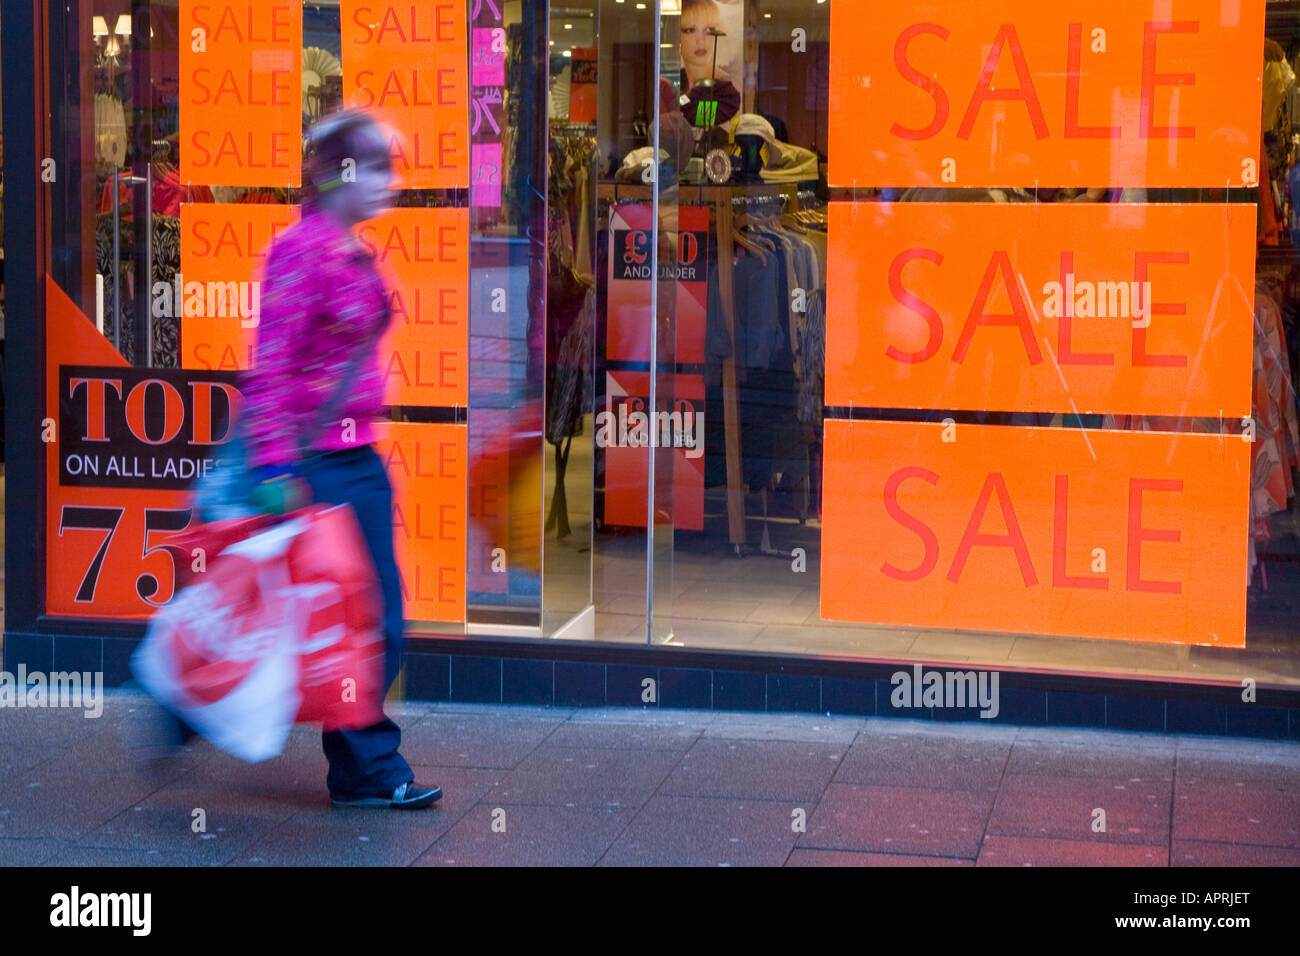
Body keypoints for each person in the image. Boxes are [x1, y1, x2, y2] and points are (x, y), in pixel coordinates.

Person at [227, 108, 442, 810]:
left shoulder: (350, 249)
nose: (392, 181)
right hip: (315, 465)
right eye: (378, 167)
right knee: (346, 622)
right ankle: (369, 768)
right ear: (339, 174)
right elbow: (270, 369)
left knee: (376, 621)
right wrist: (273, 470)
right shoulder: (300, 250)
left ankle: (357, 768)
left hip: (359, 462)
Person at [681, 0, 730, 90]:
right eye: (690, 30)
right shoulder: (678, 82)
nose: (701, 41)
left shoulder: (727, 87)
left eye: (709, 30)